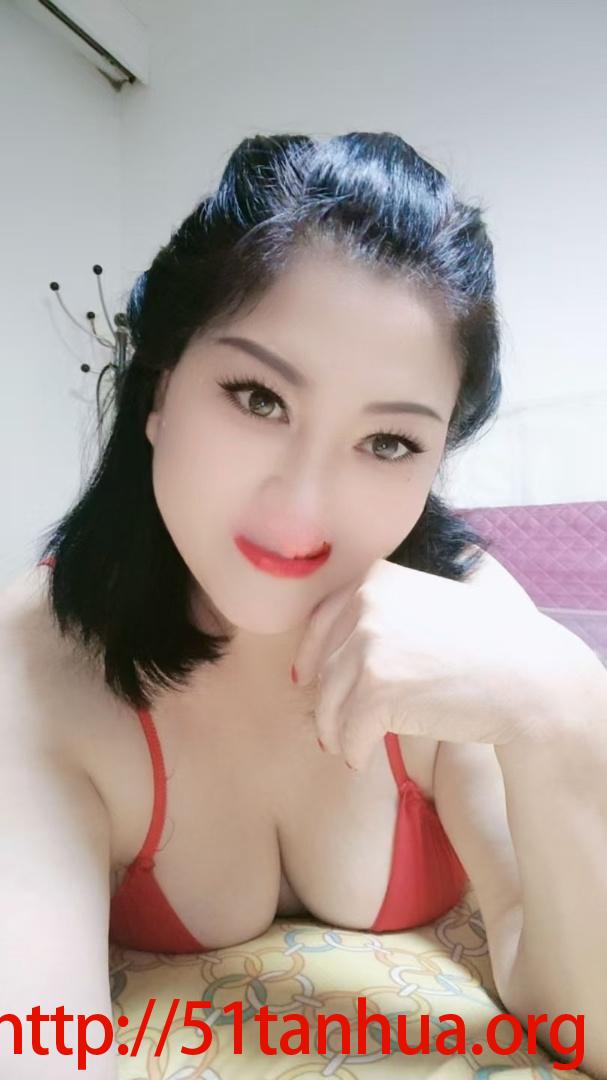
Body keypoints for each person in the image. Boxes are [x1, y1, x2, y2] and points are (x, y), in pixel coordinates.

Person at [1, 131, 523, 1077]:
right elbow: (37, 1039)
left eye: (390, 443)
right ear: (160, 388)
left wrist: (570, 705)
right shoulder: (42, 655)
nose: (301, 509)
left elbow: (582, 1005)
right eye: (257, 397)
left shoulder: (468, 613)